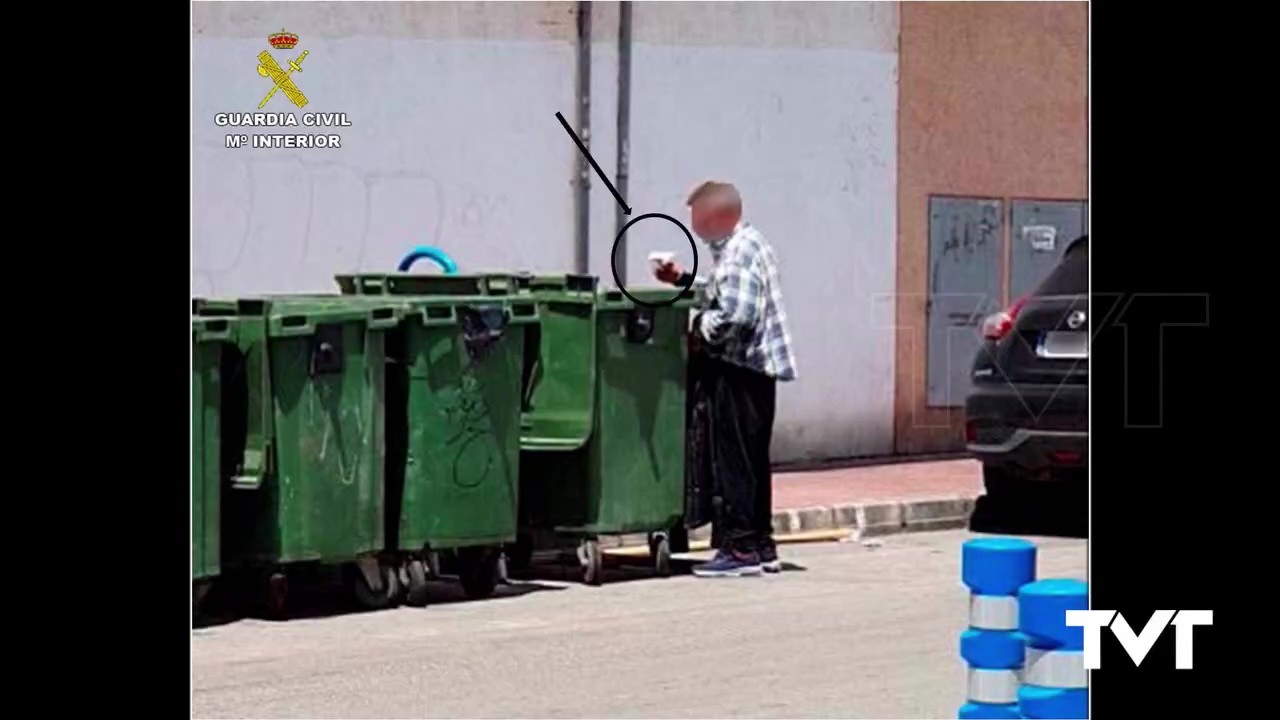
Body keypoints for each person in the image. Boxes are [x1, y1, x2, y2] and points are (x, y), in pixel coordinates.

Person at [654, 181, 798, 577]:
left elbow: (737, 314)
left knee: (735, 461)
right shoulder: (747, 246)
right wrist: (683, 279)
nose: (695, 227)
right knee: (752, 460)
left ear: (719, 216)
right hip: (755, 372)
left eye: (698, 219)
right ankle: (760, 544)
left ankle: (740, 549)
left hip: (740, 369)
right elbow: (724, 292)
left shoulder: (738, 252)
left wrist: (697, 330)